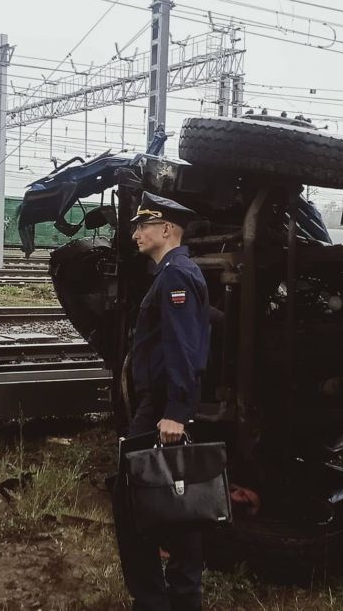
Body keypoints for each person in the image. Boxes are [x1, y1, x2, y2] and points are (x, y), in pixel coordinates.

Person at [112, 190, 210, 611]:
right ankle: (183, 599)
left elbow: (183, 348)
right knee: (177, 500)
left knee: (133, 502)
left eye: (143, 225)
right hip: (162, 406)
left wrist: (175, 412)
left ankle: (154, 602)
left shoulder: (175, 276)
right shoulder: (174, 272)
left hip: (161, 410)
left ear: (166, 229)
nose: (136, 233)